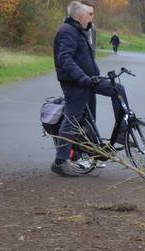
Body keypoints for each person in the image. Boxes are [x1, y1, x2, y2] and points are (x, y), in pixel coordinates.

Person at [51, 1, 126, 177]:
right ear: (81, 16)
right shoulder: (67, 31)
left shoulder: (80, 30)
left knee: (118, 89)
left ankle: (122, 130)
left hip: (89, 81)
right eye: (88, 15)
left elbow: (85, 58)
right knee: (72, 120)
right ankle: (59, 162)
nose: (91, 19)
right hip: (75, 84)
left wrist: (93, 76)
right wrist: (83, 78)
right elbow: (65, 60)